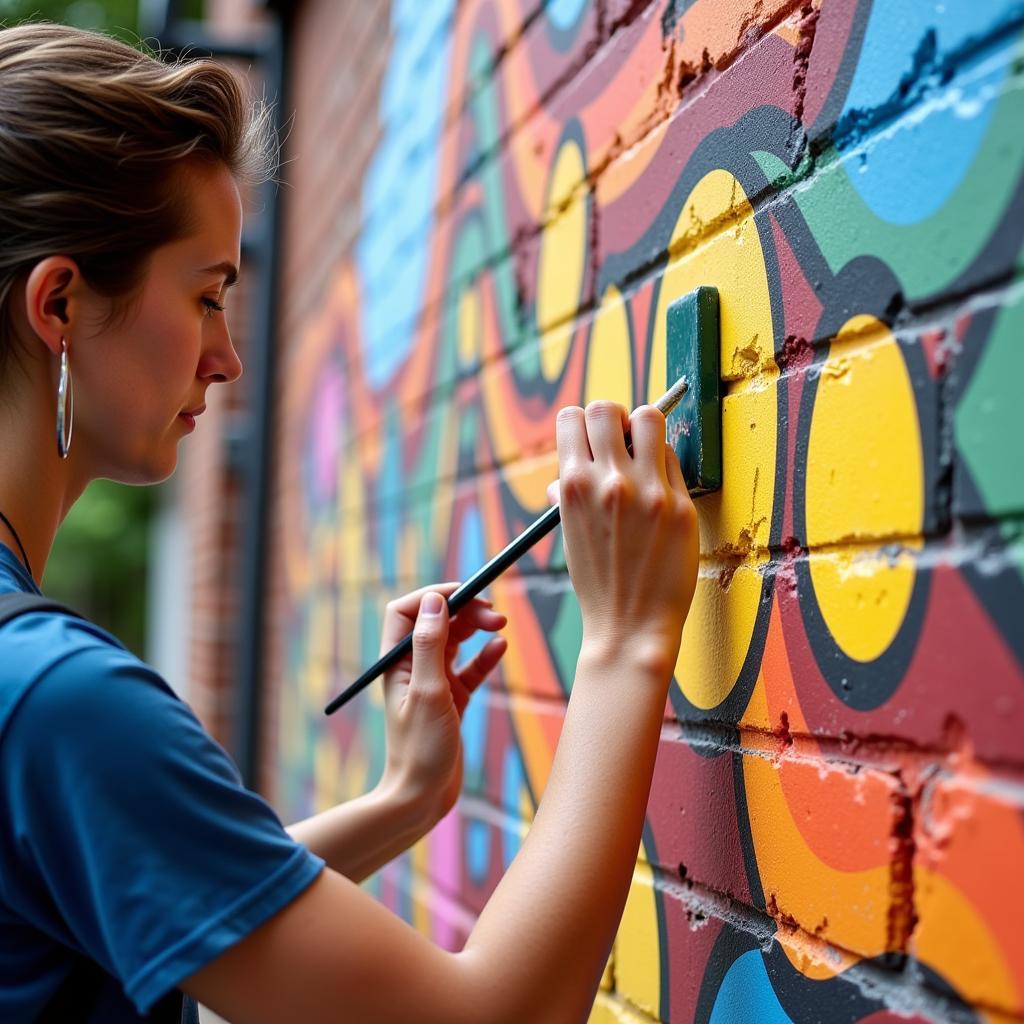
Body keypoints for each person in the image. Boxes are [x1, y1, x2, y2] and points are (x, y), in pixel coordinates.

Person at [0, 21, 699, 1024]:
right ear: (60, 303)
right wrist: (628, 642)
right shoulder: (55, 702)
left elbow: (170, 907)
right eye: (206, 297)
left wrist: (404, 800)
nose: (227, 356)